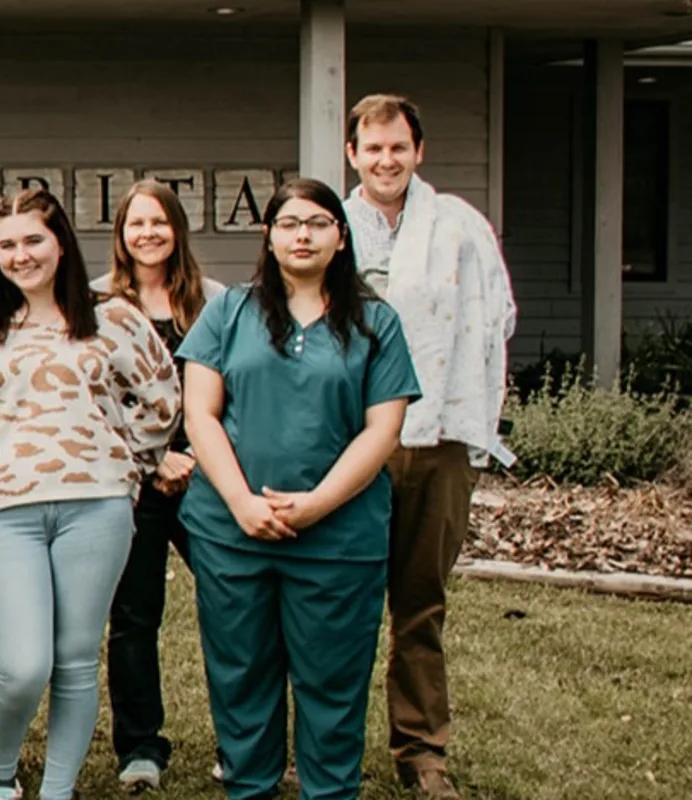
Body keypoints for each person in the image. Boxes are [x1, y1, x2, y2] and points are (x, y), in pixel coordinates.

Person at [179, 178, 417, 800]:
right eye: (289, 224)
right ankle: (249, 788)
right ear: (269, 236)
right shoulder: (229, 310)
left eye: (317, 223)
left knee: (333, 684)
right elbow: (200, 413)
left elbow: (382, 428)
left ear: (341, 237)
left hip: (338, 537)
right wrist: (241, 503)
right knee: (240, 678)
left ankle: (330, 792)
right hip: (233, 532)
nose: (302, 235)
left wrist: (317, 504)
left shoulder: (375, 322)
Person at [0, 189, 179, 800]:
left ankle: (57, 790)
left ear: (61, 244)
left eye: (34, 240)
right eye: (7, 245)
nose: (21, 255)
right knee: (25, 666)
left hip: (98, 506)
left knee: (77, 658)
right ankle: (1, 775)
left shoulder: (115, 317)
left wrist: (125, 463)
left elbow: (163, 398)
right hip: (7, 510)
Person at [342, 93, 517, 800]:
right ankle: (328, 747)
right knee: (340, 604)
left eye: (398, 147)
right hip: (350, 441)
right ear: (352, 154)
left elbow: (496, 315)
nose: (386, 160)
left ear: (419, 151)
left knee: (419, 603)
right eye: (372, 148)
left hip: (437, 435)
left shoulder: (459, 227)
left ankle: (421, 752)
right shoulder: (332, 223)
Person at [91, 179, 227, 793]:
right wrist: (153, 461)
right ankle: (140, 746)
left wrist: (193, 455)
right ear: (120, 234)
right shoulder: (93, 305)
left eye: (159, 222)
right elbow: (90, 403)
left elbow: (231, 393)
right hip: (131, 481)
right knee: (133, 616)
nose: (148, 234)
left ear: (178, 229)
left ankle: (241, 740)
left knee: (234, 610)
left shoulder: (216, 303)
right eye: (135, 223)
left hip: (209, 478)